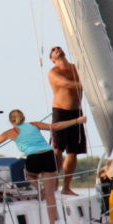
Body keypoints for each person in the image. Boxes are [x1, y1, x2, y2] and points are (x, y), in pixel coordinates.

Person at [0, 109, 86, 224]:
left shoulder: (11, 132)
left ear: (11, 121)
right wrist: (77, 120)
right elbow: (55, 126)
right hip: (49, 155)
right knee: (50, 195)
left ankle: (39, 188)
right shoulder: (34, 124)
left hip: (34, 158)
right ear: (23, 118)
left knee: (28, 175)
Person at [48, 46, 87, 196]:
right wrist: (88, 84)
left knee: (74, 151)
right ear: (52, 59)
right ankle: (54, 184)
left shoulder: (76, 68)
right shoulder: (53, 72)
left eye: (58, 47)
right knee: (58, 150)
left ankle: (67, 187)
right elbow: (67, 84)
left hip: (76, 113)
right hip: (60, 113)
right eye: (53, 49)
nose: (57, 48)